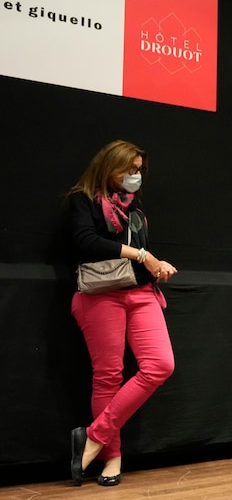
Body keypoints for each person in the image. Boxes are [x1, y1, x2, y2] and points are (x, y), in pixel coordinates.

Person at [66, 139, 177, 487]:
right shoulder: (82, 199)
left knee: (161, 364)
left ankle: (93, 437)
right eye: (129, 169)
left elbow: (136, 255)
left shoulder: (134, 208)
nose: (135, 176)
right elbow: (86, 242)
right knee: (108, 376)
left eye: (139, 170)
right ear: (107, 167)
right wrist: (143, 255)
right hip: (101, 295)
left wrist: (157, 265)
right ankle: (110, 458)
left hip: (141, 292)